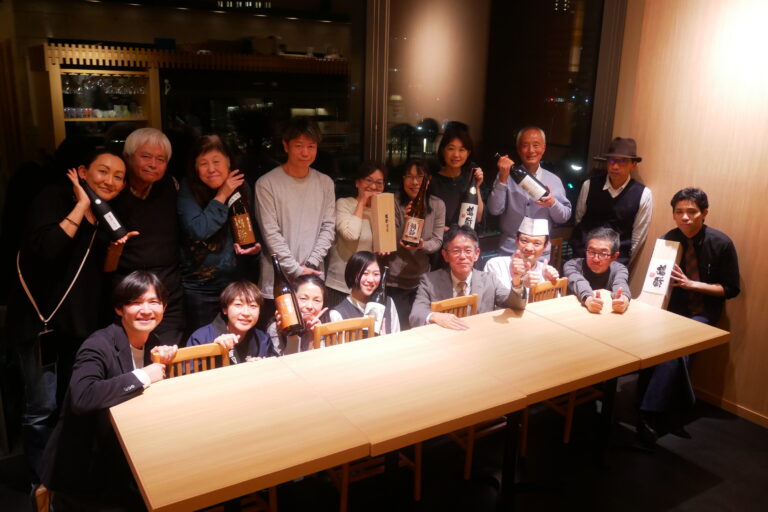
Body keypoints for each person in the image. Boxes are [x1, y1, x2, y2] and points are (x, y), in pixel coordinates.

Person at [8, 150, 134, 483]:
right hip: (41, 322)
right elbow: (46, 250)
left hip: (78, 323)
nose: (109, 181)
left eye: (118, 176)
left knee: (71, 400)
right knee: (41, 408)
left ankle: (66, 472)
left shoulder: (108, 213)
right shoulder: (54, 197)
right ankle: (41, 483)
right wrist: (81, 205)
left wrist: (118, 247)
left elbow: (104, 271)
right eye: (102, 171)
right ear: (82, 171)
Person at [40, 271, 178, 511]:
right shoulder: (98, 344)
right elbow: (83, 396)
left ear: (164, 307)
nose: (146, 310)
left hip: (125, 460)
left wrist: (165, 363)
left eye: (154, 302)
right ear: (119, 309)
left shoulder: (153, 341)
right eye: (135, 302)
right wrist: (144, 375)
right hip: (84, 468)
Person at [636, 188, 740, 447]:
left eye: (691, 212)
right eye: (679, 212)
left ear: (704, 213)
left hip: (702, 313)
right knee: (650, 344)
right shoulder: (668, 240)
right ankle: (673, 408)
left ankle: (647, 414)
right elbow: (656, 282)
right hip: (671, 312)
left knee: (675, 351)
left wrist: (692, 284)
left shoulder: (721, 243)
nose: (685, 217)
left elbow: (731, 289)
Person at [254, 117, 335, 327]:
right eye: (299, 146)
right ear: (285, 146)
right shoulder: (266, 183)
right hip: (278, 279)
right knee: (277, 335)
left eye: (311, 146)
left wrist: (310, 264)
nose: (305, 152)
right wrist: (296, 269)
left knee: (311, 335)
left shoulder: (325, 183)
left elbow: (328, 227)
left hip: (312, 281)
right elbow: (270, 233)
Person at [177, 135, 261, 332]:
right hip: (200, 287)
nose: (211, 169)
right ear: (195, 167)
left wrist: (254, 249)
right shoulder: (188, 188)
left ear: (228, 162)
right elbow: (199, 229)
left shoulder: (242, 187)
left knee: (238, 339)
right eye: (203, 163)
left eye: (216, 162)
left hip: (235, 283)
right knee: (205, 341)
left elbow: (247, 231)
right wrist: (223, 194)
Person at [111, 127, 186, 347]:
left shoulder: (171, 186)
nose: (153, 164)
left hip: (168, 291)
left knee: (168, 353)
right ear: (127, 157)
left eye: (160, 159)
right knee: (130, 354)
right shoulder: (113, 191)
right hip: (128, 291)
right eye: (145, 156)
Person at [410, 225, 527, 329]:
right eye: (456, 251)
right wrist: (434, 316)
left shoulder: (489, 280)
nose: (462, 256)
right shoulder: (430, 281)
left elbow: (516, 305)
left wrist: (517, 281)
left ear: (476, 254)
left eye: (468, 250)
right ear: (445, 255)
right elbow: (415, 315)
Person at [487, 126, 571, 258]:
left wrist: (552, 203)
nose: (531, 150)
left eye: (536, 145)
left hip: (540, 255)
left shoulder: (554, 180)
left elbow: (564, 216)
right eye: (525, 145)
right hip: (509, 252)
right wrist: (502, 179)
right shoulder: (506, 176)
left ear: (543, 148)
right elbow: (494, 210)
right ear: (518, 149)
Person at [571, 137, 653, 266]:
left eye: (622, 161)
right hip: (583, 255)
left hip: (616, 262)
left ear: (633, 164)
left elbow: (638, 236)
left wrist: (623, 262)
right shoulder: (589, 185)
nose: (615, 166)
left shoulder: (643, 194)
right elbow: (579, 218)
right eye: (611, 160)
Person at [384, 159, 446, 329]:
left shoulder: (437, 205)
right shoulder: (393, 201)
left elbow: (437, 241)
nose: (415, 182)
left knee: (421, 326)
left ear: (428, 180)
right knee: (398, 328)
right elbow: (388, 240)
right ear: (403, 179)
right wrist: (406, 221)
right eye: (409, 177)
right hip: (394, 280)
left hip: (421, 280)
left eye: (420, 177)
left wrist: (422, 245)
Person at [325, 162, 387, 307]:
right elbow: (351, 234)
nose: (373, 186)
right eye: (369, 180)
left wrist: (383, 249)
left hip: (367, 285)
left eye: (379, 182)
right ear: (357, 183)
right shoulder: (344, 204)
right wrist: (362, 202)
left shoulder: (382, 210)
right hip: (341, 284)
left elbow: (383, 243)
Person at [187, 281, 273, 363]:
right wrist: (215, 350)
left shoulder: (263, 339)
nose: (246, 313)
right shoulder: (201, 338)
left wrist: (261, 367)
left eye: (253, 306)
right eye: (238, 305)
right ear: (225, 309)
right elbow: (188, 372)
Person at [329, 251, 400, 335]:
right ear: (352, 274)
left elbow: (398, 338)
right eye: (365, 273)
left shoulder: (389, 303)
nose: (371, 280)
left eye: (376, 274)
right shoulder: (338, 314)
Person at [563, 226, 630, 314]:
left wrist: (623, 300)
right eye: (591, 251)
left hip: (604, 314)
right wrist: (589, 299)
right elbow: (579, 282)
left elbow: (621, 284)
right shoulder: (572, 265)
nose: (595, 259)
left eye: (603, 254)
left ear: (614, 256)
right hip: (573, 313)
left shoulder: (619, 269)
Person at [429, 123, 484, 228]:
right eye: (451, 148)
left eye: (462, 150)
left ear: (468, 153)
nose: (456, 155)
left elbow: (478, 218)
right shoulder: (432, 181)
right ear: (443, 150)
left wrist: (476, 186)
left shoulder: (470, 179)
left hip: (464, 237)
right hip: (438, 237)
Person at [484, 217, 559, 289]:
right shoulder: (495, 265)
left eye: (537, 243)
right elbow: (492, 296)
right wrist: (518, 280)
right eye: (524, 241)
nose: (529, 248)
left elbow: (558, 298)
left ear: (545, 246)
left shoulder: (546, 271)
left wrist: (550, 284)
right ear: (516, 240)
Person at [268, 274, 329, 355]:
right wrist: (291, 333)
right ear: (291, 299)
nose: (309, 306)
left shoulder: (326, 323)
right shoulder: (275, 328)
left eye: (317, 300)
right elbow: (287, 361)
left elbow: (323, 359)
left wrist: (314, 336)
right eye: (303, 298)